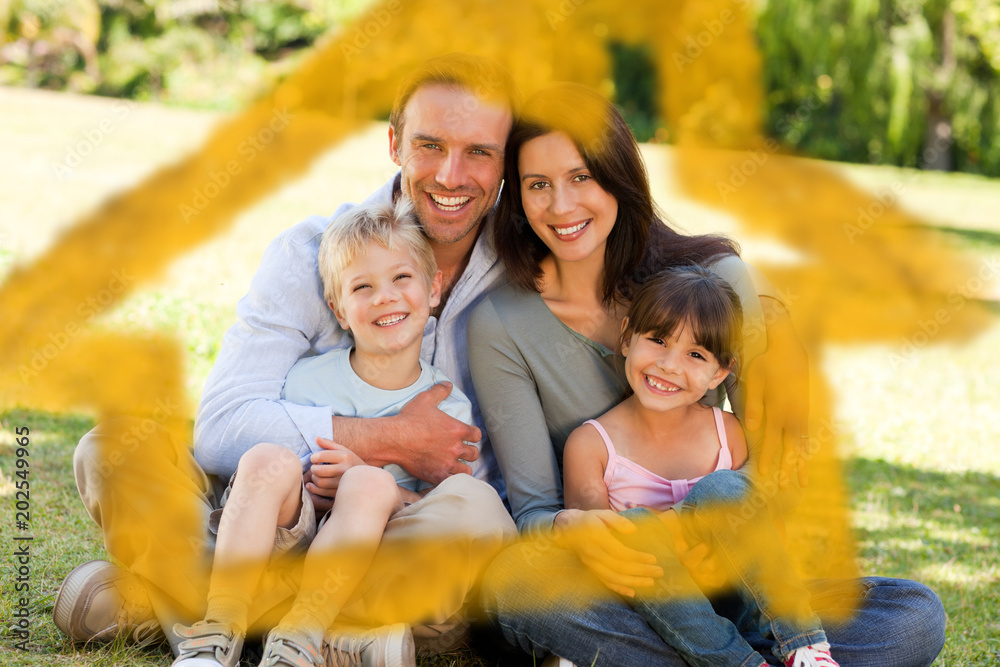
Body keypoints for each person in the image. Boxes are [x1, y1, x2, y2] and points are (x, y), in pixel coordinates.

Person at [54, 53, 518, 659]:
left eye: (479, 151)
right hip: (266, 525)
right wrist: (393, 439)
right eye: (430, 145)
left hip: (391, 542)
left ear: (506, 161)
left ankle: (186, 616)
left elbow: (486, 485)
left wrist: (384, 490)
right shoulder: (309, 254)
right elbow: (222, 429)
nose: (452, 175)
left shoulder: (524, 277)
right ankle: (328, 638)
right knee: (112, 452)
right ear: (394, 143)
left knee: (478, 517)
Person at [468, 82, 946, 666]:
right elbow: (534, 513)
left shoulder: (713, 280)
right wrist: (574, 530)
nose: (561, 206)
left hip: (738, 590)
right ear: (516, 199)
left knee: (914, 614)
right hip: (629, 590)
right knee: (516, 589)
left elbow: (773, 473)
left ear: (620, 177)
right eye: (538, 185)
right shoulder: (502, 323)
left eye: (582, 176)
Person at [171, 200, 488, 667]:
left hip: (370, 557)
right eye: (363, 286)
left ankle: (298, 637)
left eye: (402, 278)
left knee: (370, 483)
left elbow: (438, 508)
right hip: (294, 533)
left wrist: (366, 483)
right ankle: (220, 628)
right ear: (339, 310)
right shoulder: (305, 380)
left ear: (433, 288)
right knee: (265, 458)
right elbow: (272, 472)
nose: (385, 296)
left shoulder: (447, 407)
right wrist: (316, 483)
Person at [563, 265, 838, 667]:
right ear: (626, 338)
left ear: (721, 372)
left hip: (735, 599)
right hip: (657, 609)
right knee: (629, 532)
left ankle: (806, 649)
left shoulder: (729, 433)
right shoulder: (591, 446)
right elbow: (599, 558)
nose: (670, 365)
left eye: (695, 354)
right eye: (658, 340)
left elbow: (760, 535)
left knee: (725, 491)